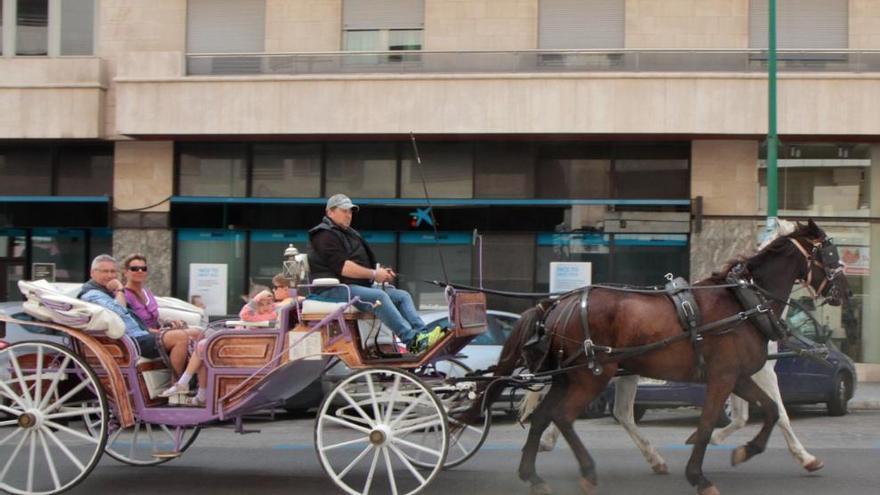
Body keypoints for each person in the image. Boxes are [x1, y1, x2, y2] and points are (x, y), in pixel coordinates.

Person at [308, 193, 445, 353]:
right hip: (331, 289)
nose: (349, 215)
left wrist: (379, 272)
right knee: (379, 297)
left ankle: (423, 336)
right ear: (330, 212)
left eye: (350, 211)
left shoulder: (346, 233)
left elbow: (357, 262)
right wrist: (374, 274)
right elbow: (344, 267)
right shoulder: (324, 235)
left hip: (351, 286)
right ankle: (412, 341)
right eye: (344, 210)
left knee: (401, 295)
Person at [79, 255, 196, 377]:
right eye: (105, 271)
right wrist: (120, 289)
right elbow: (119, 312)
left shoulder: (109, 291)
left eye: (113, 271)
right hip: (129, 341)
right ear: (92, 273)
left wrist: (165, 324)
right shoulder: (92, 294)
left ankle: (195, 384)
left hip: (141, 334)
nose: (110, 275)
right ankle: (177, 386)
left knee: (196, 333)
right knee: (180, 337)